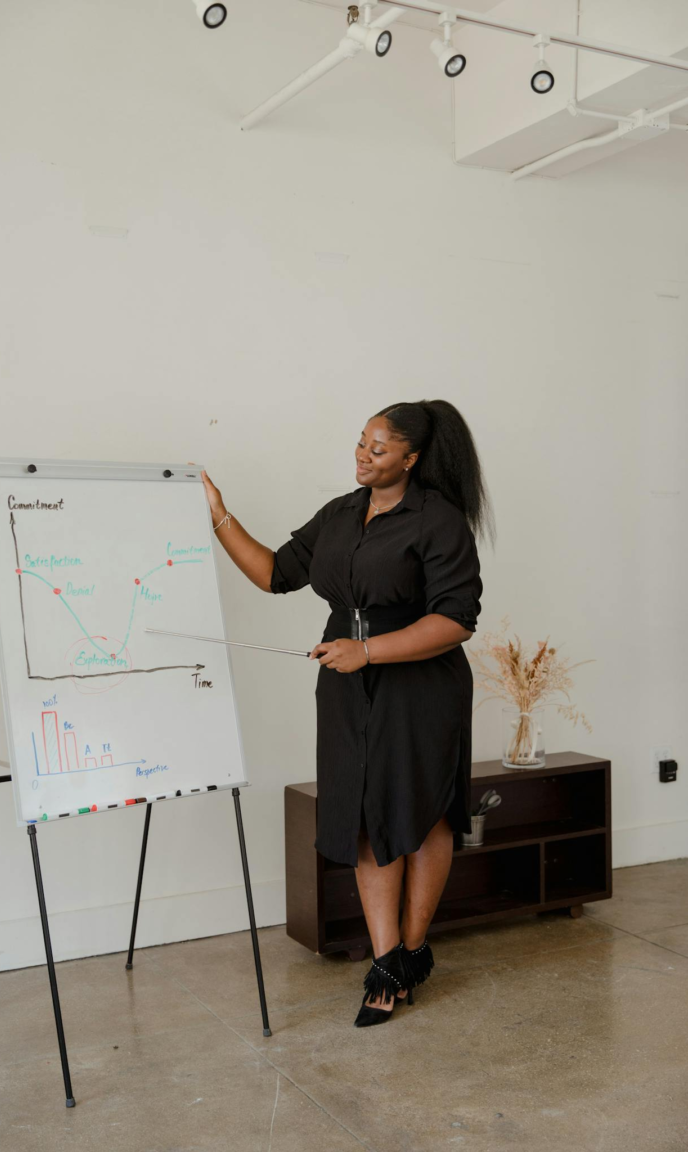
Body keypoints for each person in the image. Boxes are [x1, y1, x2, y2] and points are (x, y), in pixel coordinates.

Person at [200, 399, 492, 1027]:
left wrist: (370, 651)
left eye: (378, 448)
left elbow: (455, 620)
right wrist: (219, 515)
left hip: (420, 686)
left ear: (411, 459)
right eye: (361, 442)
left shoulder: (438, 520)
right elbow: (276, 573)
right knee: (364, 815)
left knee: (423, 813)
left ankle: (410, 953)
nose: (362, 455)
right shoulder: (340, 514)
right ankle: (387, 958)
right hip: (345, 680)